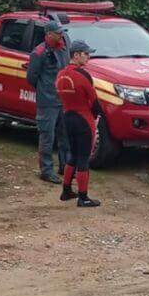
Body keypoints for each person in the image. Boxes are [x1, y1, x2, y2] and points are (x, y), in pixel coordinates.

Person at [55, 40, 101, 207]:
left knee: (73, 155)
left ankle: (66, 190)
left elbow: (60, 94)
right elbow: (94, 101)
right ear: (76, 55)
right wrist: (95, 116)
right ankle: (83, 197)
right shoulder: (83, 75)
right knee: (83, 157)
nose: (89, 57)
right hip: (83, 118)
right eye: (86, 54)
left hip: (67, 116)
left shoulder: (61, 74)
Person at [26, 20, 70, 184]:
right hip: (48, 101)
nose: (61, 35)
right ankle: (46, 170)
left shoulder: (63, 48)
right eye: (58, 33)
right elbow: (31, 77)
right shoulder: (39, 52)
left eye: (61, 32)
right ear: (48, 34)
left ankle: (64, 165)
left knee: (64, 135)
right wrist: (45, 89)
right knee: (47, 136)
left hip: (63, 99)